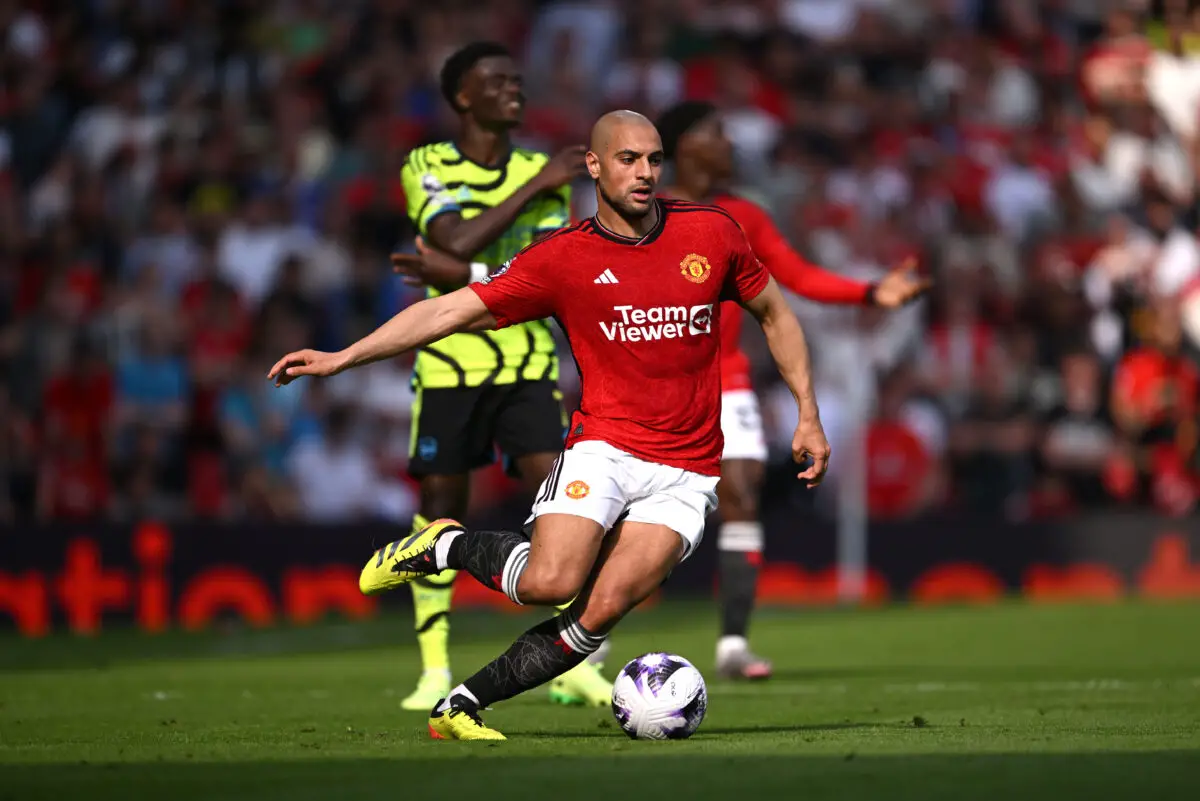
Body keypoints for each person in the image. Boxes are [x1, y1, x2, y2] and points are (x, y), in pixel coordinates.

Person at [268, 110, 830, 740]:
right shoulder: (563, 258)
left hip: (689, 471)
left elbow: (775, 312)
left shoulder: (711, 232)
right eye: (627, 159)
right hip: (604, 450)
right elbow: (451, 310)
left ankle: (459, 705)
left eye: (653, 158)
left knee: (600, 612)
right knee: (548, 582)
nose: (644, 172)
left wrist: (806, 413)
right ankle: (443, 545)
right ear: (594, 165)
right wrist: (345, 356)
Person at [654, 100, 929, 679]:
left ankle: (732, 645)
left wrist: (869, 292)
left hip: (724, 377)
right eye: (716, 132)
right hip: (649, 382)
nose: (729, 143)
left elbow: (796, 275)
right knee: (631, 510)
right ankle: (587, 635)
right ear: (682, 147)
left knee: (743, 494)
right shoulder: (643, 212)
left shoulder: (744, 215)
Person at [387, 41, 606, 711]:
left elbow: (540, 267)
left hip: (527, 362)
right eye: (498, 82)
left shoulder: (546, 168)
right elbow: (450, 240)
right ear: (463, 98)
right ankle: (433, 666)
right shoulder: (426, 164)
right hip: (450, 360)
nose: (515, 90)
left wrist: (473, 274)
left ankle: (569, 659)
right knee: (440, 507)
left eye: (518, 80)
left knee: (564, 502)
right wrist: (533, 190)